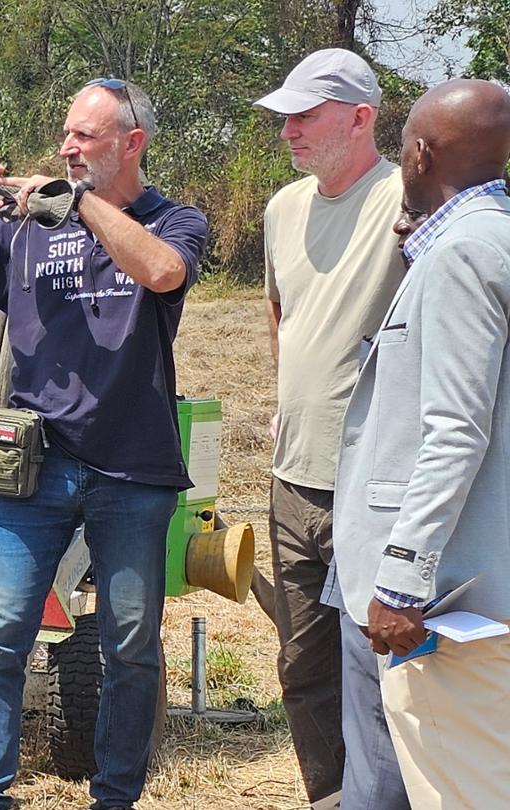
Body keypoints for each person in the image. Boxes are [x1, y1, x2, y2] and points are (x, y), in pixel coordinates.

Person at [0, 79, 210, 810]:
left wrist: (78, 202)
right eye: (66, 135)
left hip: (133, 468)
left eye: (85, 136)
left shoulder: (175, 219)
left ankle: (115, 797)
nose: (67, 148)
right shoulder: (24, 228)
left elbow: (162, 272)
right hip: (35, 465)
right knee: (1, 635)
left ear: (132, 143)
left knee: (131, 647)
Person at [333, 78, 510, 809]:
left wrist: (401, 581)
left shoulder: (465, 254)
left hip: (447, 604)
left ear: (419, 154)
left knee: (456, 789)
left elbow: (456, 433)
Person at [252, 48, 410, 810]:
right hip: (292, 482)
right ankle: (328, 797)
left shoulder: (409, 197)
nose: (288, 131)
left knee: (377, 674)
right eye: (284, 117)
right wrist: (290, 394)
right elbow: (279, 309)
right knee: (304, 668)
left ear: (360, 117)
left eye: (305, 115)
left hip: (370, 486)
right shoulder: (283, 207)